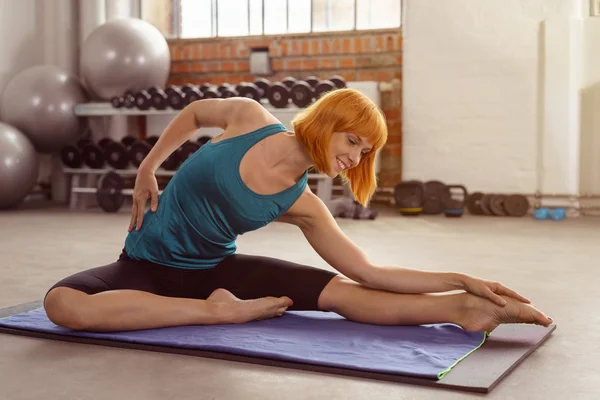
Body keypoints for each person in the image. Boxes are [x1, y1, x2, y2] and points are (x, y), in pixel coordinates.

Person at [43, 88, 553, 334]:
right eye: (352, 141)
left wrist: (461, 280)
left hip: (215, 269)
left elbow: (368, 272)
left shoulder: (302, 204)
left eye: (364, 154)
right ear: (327, 121)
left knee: (342, 294)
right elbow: (196, 113)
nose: (354, 158)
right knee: (62, 305)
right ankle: (215, 312)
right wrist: (148, 166)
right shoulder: (249, 118)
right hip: (143, 266)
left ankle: (463, 312)